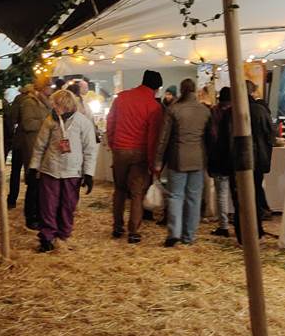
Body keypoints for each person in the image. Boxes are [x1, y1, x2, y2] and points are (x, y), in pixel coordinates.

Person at [28, 88, 97, 252]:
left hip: (72, 172)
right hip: (50, 169)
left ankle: (63, 236)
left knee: (68, 206)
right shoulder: (50, 121)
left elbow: (90, 149)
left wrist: (89, 173)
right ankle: (47, 237)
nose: (54, 107)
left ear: (66, 105)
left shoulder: (82, 122)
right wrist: (33, 166)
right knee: (48, 205)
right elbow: (39, 146)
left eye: (56, 104)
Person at [107, 70, 163, 243]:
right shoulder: (154, 106)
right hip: (140, 152)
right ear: (157, 88)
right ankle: (133, 231)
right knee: (137, 193)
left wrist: (113, 144)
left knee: (120, 189)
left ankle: (117, 227)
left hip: (120, 149)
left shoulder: (121, 98)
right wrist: (153, 164)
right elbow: (153, 137)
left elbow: (110, 123)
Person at [155, 78, 211, 246]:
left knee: (175, 196)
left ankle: (174, 233)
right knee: (194, 198)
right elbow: (210, 138)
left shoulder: (174, 110)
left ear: (181, 90)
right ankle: (189, 235)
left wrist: (158, 160)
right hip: (198, 159)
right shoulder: (204, 111)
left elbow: (163, 138)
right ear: (195, 91)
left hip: (177, 158)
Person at [6, 78, 51, 228]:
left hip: (32, 143)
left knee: (31, 178)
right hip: (26, 144)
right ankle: (25, 211)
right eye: (48, 86)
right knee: (30, 178)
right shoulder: (29, 101)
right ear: (42, 88)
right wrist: (45, 122)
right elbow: (27, 123)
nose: (51, 89)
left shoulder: (42, 101)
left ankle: (27, 208)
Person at [207, 87, 236, 238]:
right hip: (236, 158)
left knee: (222, 193)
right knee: (236, 193)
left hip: (219, 157)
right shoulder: (237, 112)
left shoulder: (214, 112)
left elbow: (212, 135)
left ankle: (224, 225)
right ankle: (237, 222)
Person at [247, 79, 275, 219]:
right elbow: (270, 133)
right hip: (260, 153)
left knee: (251, 185)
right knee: (257, 183)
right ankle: (262, 210)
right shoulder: (261, 110)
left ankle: (259, 211)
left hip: (247, 154)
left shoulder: (241, 109)